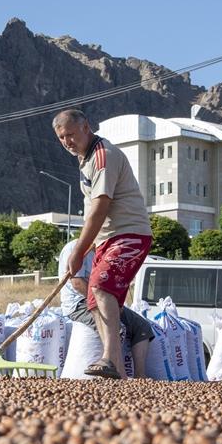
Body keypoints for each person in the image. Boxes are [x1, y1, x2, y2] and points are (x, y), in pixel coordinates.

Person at [53, 108, 152, 380]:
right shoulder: (85, 160)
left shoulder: (102, 156)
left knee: (100, 286)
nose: (67, 142)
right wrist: (90, 247)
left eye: (71, 134)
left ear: (86, 127)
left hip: (128, 233)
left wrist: (78, 251)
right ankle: (118, 372)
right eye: (62, 137)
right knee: (95, 299)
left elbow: (100, 207)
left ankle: (108, 357)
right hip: (108, 239)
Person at [57, 238, 152, 378]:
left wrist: (115, 304)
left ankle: (140, 376)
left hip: (104, 300)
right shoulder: (75, 249)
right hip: (79, 304)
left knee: (142, 326)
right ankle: (120, 375)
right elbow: (77, 283)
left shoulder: (106, 252)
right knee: (116, 328)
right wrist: (106, 304)